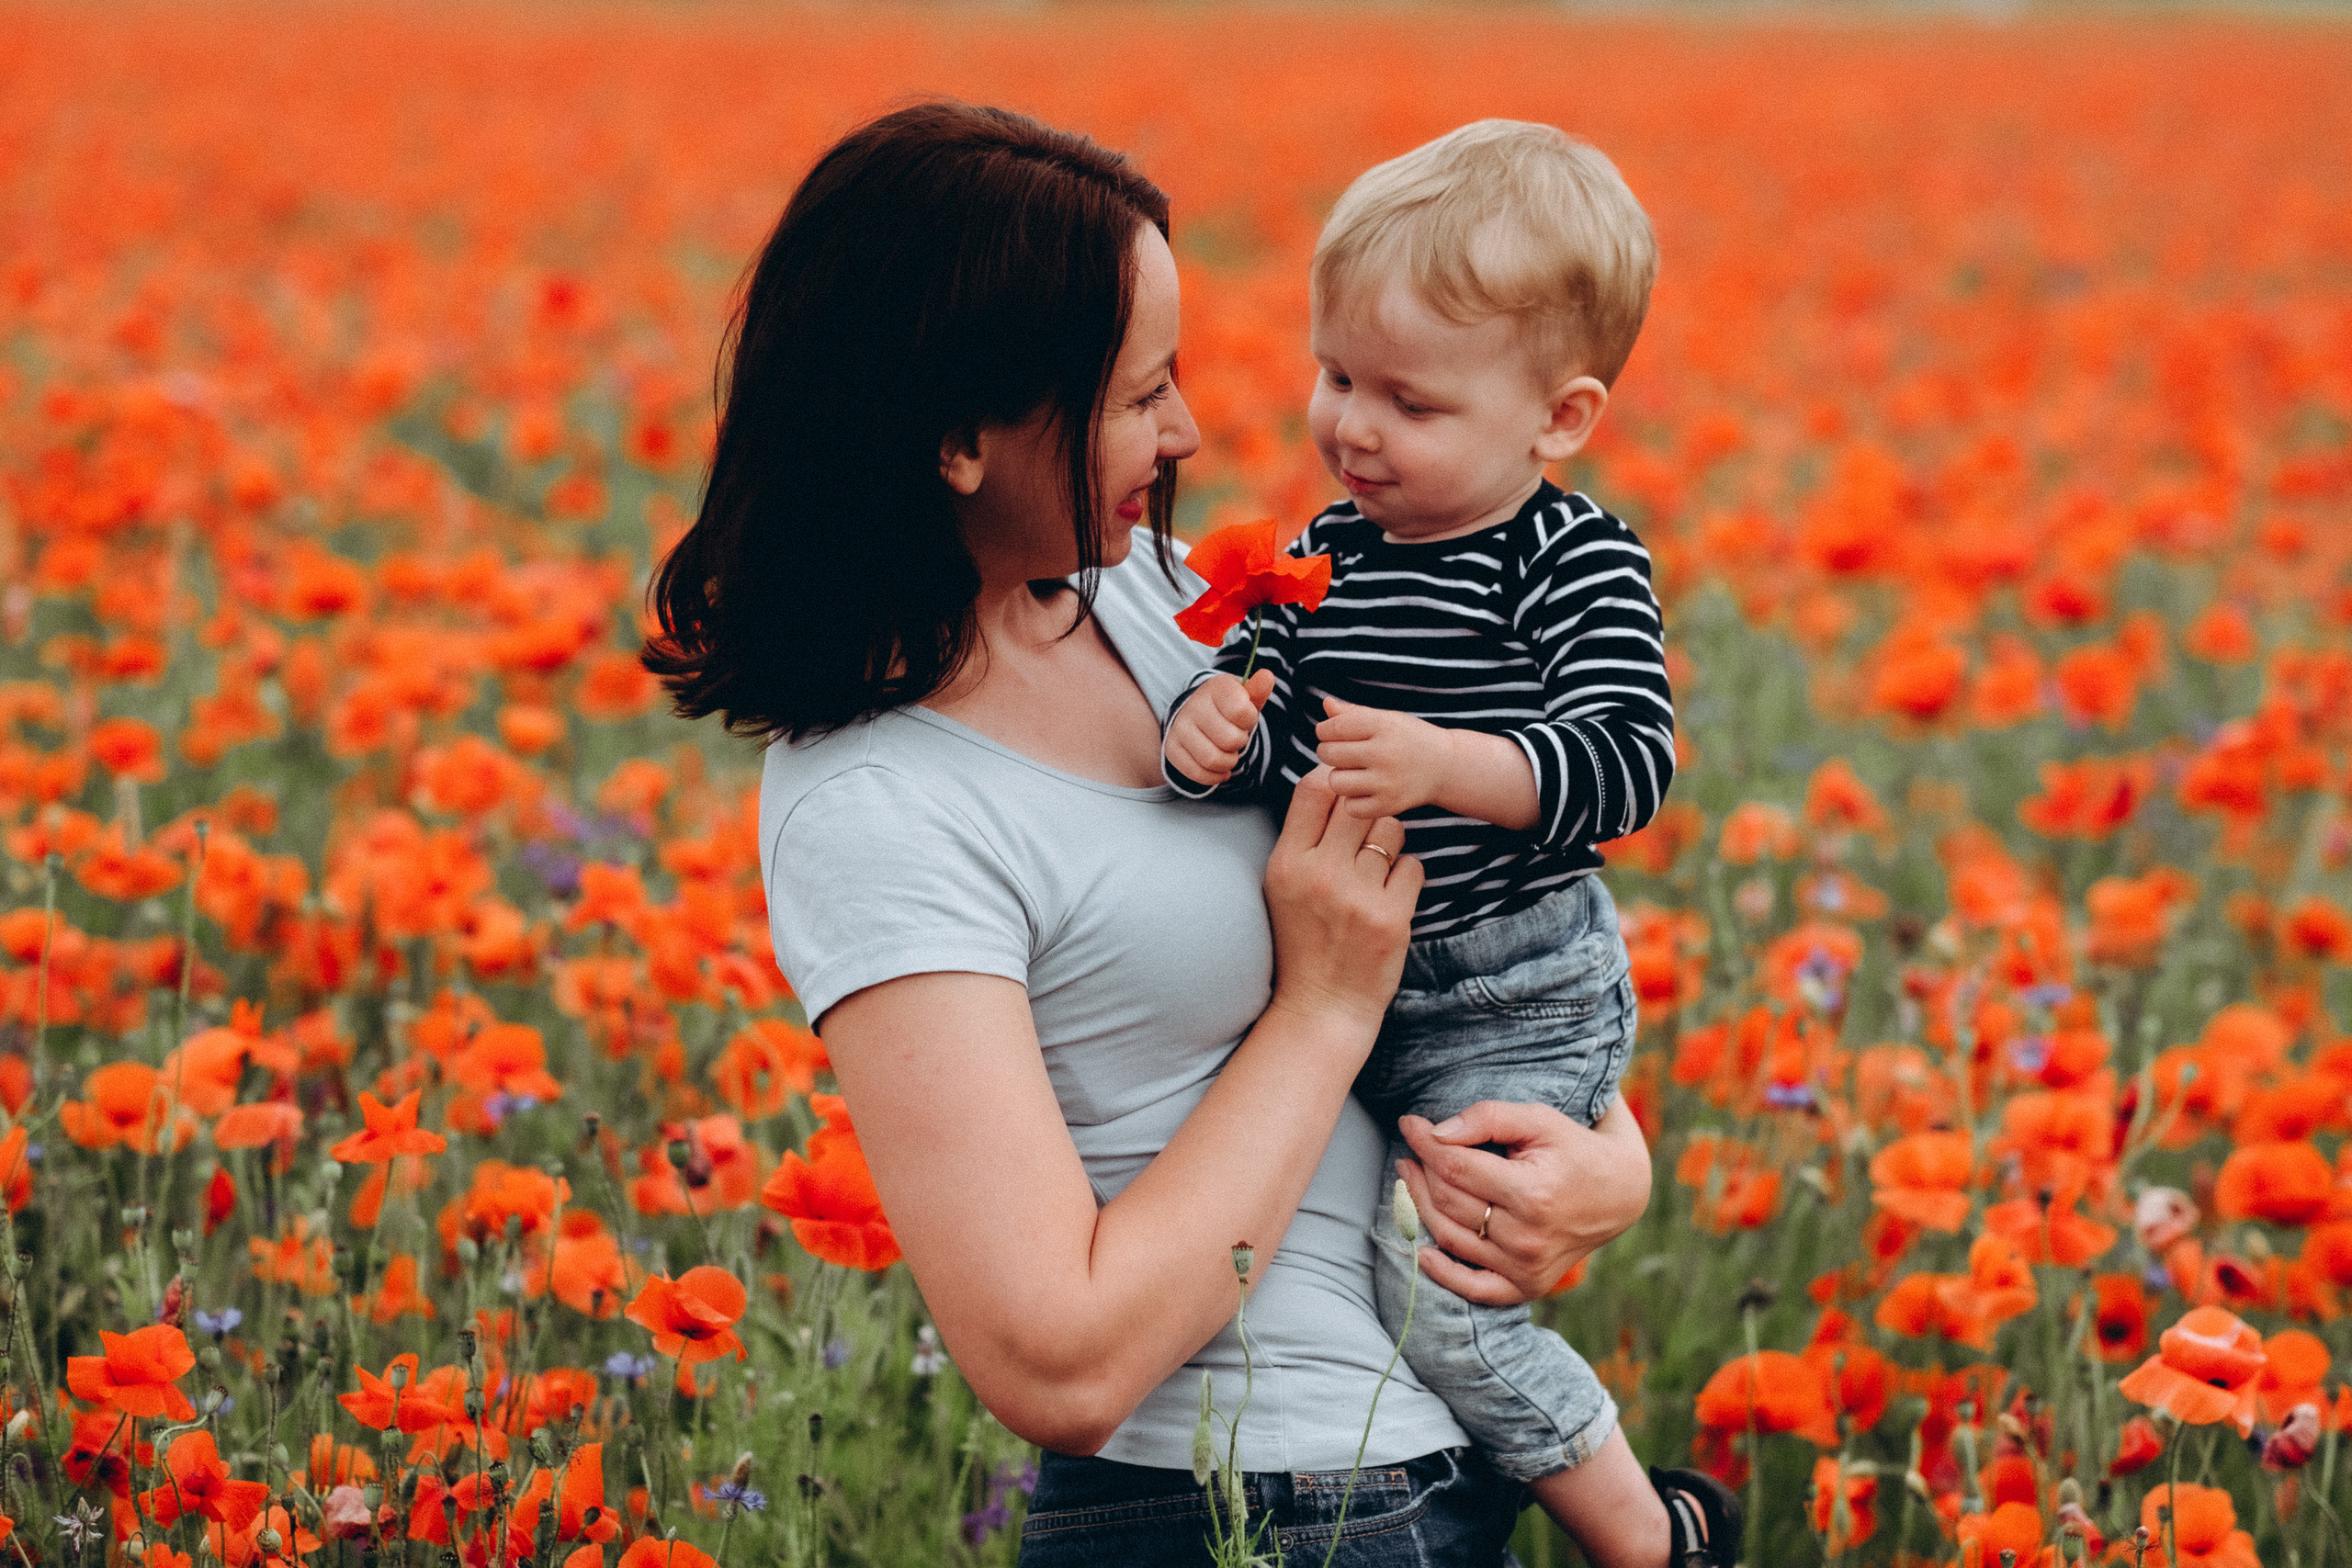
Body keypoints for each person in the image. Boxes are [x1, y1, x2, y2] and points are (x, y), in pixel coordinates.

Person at [643, 101, 1656, 1566]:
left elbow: (1484, 908)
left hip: (1441, 1471)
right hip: (1237, 1508)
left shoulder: (1155, 599)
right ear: (958, 440)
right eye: (1138, 395)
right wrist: (1322, 1006)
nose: (1187, 432)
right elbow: (1058, 1363)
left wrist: (1608, 1168)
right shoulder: (877, 804)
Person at [1159, 121, 1735, 1566]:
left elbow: (1629, 761)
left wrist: (1451, 766)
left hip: (1516, 987)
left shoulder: (1568, 556)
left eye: (1408, 401)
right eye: (1337, 377)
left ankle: (1653, 1536)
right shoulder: (1326, 555)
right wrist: (1210, 736)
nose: (1352, 427)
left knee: (1440, 1298)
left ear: (1560, 418)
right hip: (1362, 988)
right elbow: (1277, 740)